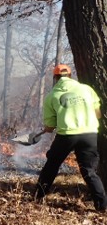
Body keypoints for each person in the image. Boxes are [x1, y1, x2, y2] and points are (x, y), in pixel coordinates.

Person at [35, 64, 107, 212]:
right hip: (89, 134)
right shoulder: (86, 89)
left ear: (55, 78)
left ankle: (38, 196)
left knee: (52, 164)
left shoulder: (51, 96)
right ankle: (102, 206)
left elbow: (50, 125)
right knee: (89, 171)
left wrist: (49, 127)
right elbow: (98, 114)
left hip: (66, 136)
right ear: (70, 76)